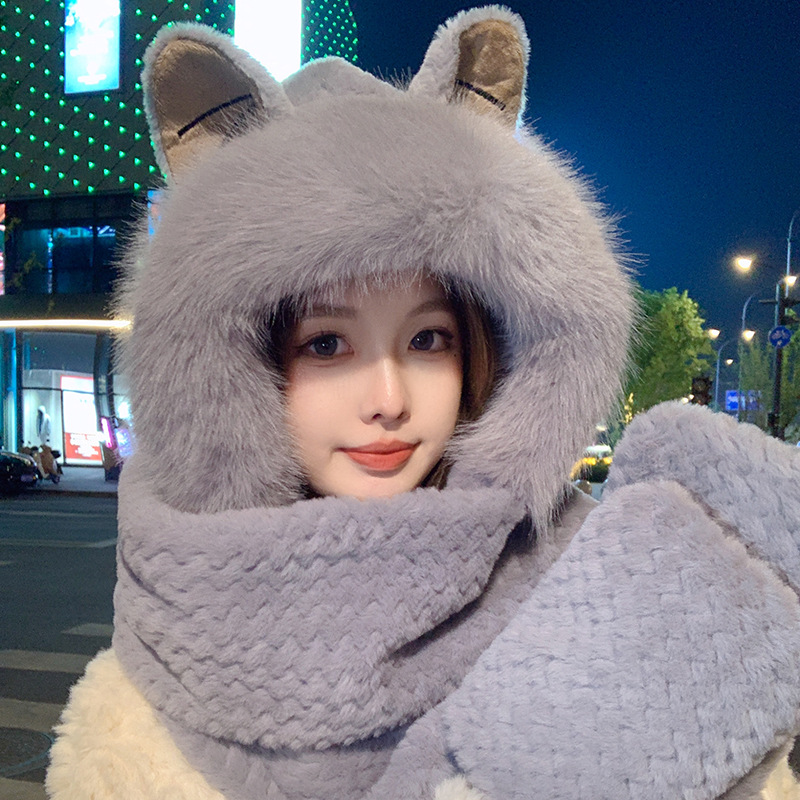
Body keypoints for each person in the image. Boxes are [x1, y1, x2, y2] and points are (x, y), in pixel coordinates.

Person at [47, 7, 800, 800]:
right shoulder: (165, 619)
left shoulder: (611, 582)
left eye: (429, 340)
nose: (388, 400)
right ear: (233, 370)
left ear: (488, 349)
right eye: (326, 345)